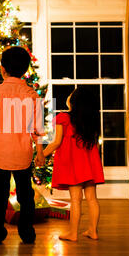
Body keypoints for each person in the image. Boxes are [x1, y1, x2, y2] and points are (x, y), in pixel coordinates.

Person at [0, 46, 45, 245]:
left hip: (0, 153)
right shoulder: (31, 94)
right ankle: (27, 233)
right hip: (23, 153)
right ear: (26, 70)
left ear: (3, 69)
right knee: (26, 195)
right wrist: (40, 151)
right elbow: (37, 128)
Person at [42, 87, 104, 242]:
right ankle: (93, 231)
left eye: (71, 95)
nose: (68, 97)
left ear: (74, 101)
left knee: (75, 199)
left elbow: (56, 142)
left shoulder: (63, 117)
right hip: (89, 163)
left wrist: (41, 154)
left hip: (73, 164)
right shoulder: (91, 120)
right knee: (92, 199)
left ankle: (73, 233)